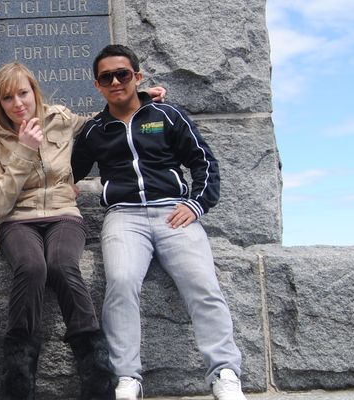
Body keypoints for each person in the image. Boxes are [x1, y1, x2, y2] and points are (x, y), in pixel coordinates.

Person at [0, 62, 165, 400]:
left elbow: (98, 120)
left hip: (64, 214)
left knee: (62, 265)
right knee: (32, 267)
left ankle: (97, 378)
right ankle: (17, 383)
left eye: (23, 93)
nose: (18, 103)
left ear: (34, 92)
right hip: (16, 221)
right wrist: (23, 150)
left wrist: (141, 96)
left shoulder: (60, 119)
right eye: (8, 98)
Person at [71, 44, 246, 400]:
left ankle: (225, 373)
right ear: (97, 85)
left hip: (173, 213)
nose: (116, 81)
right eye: (107, 77)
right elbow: (67, 170)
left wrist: (197, 205)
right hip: (124, 217)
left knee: (202, 283)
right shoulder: (94, 131)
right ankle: (127, 377)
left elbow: (204, 163)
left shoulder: (167, 116)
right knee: (120, 282)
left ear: (137, 77)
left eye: (123, 74)